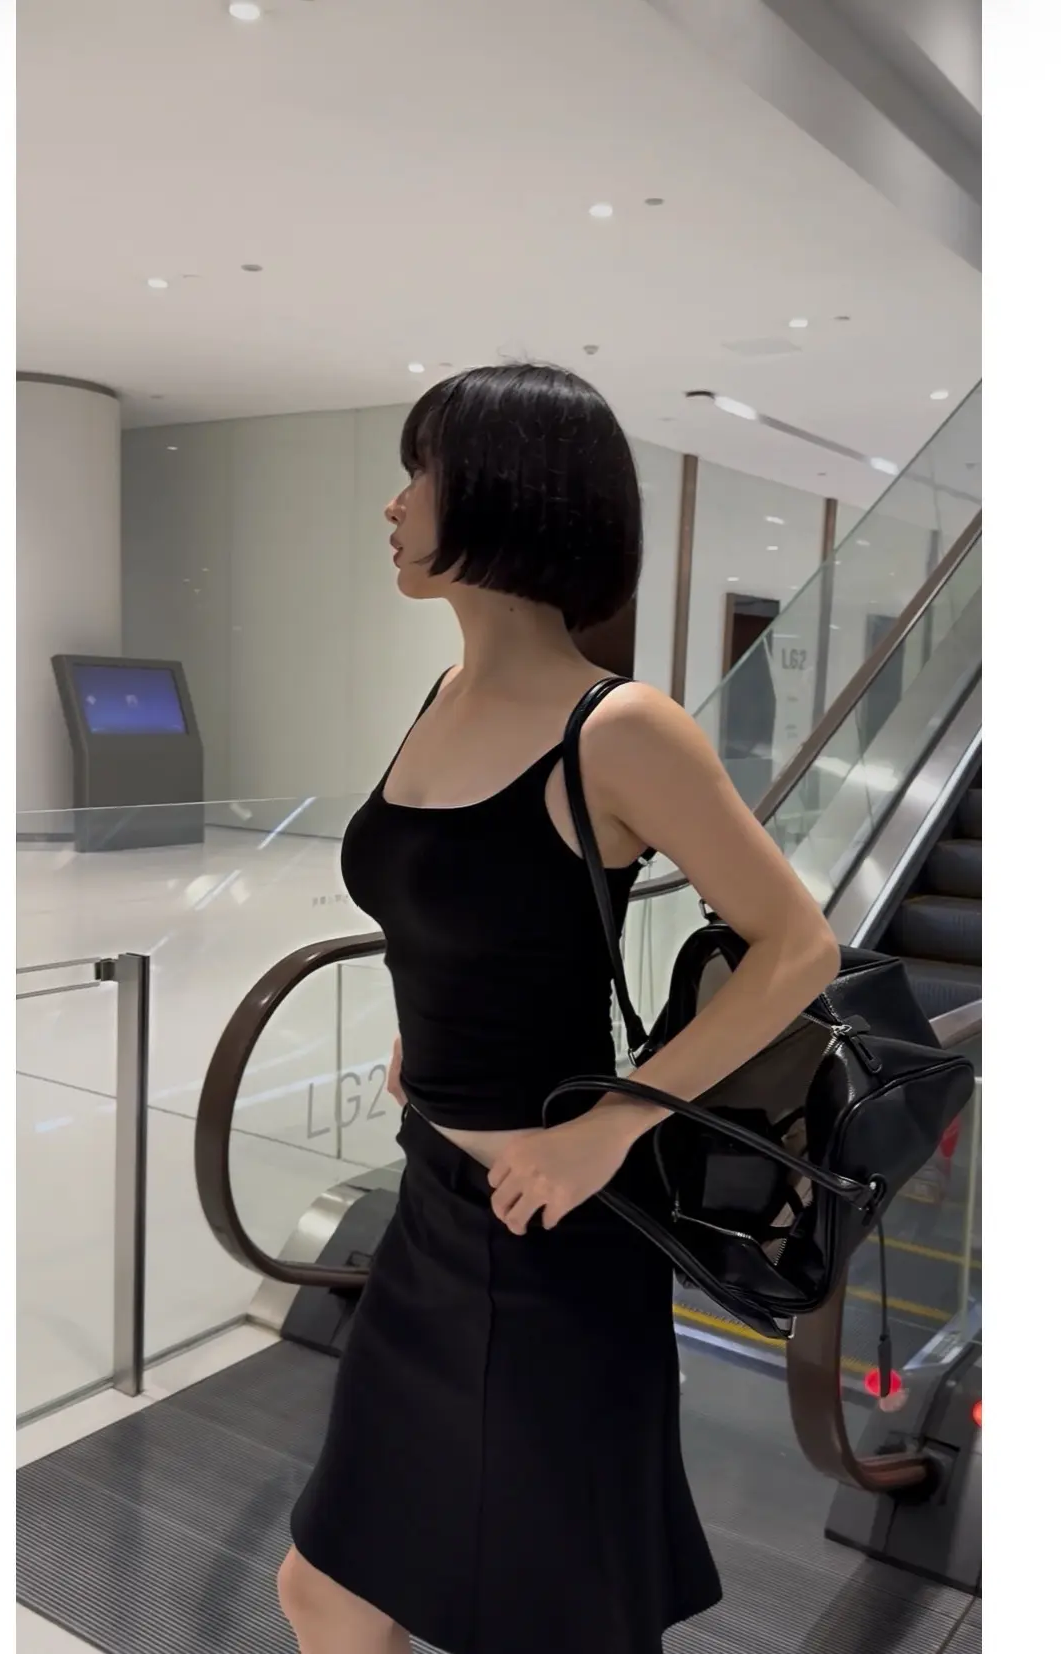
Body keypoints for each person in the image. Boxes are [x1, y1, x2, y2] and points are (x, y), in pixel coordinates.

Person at [277, 364, 840, 1654]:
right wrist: (436, 1025)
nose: (395, 505)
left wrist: (614, 1123)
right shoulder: (442, 699)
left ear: (508, 491)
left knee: (549, 1615)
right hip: (436, 1203)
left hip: (552, 1230)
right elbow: (464, 902)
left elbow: (798, 947)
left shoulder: (620, 728)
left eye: (421, 472)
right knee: (330, 1585)